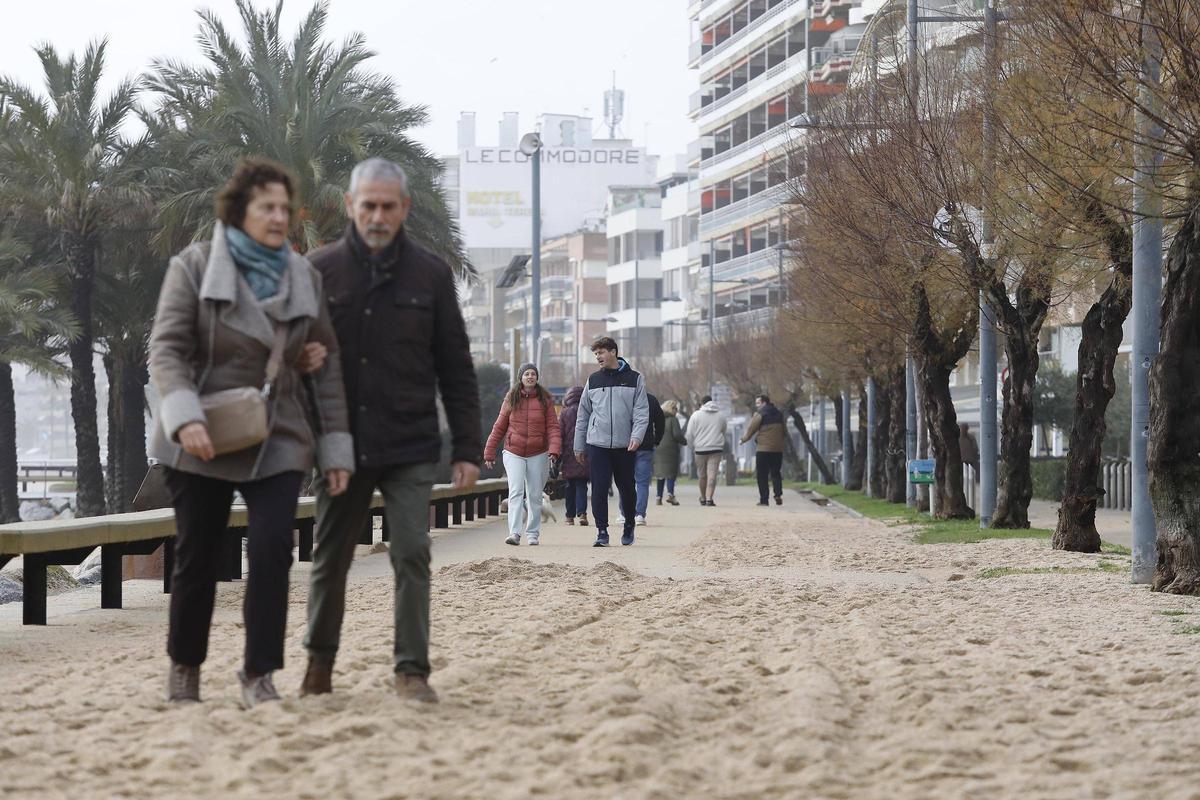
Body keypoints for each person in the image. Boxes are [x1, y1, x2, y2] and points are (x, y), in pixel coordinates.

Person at [149, 157, 354, 708]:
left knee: (272, 552)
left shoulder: (302, 274)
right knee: (198, 556)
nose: (279, 217)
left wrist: (335, 447)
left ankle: (258, 673)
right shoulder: (193, 267)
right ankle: (185, 668)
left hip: (278, 430)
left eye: (286, 208)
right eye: (267, 207)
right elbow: (167, 349)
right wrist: (185, 415)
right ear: (239, 212)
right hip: (203, 432)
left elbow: (326, 364)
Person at [301, 157, 481, 704]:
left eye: (387, 206)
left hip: (409, 442)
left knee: (411, 551)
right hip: (340, 446)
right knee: (330, 557)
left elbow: (456, 366)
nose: (377, 215)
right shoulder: (318, 270)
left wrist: (468, 448)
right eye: (368, 205)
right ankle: (318, 667)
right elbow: (286, 356)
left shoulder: (430, 274)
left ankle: (412, 671)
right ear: (351, 206)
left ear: (403, 208)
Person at [574, 336, 648, 547]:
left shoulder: (635, 378)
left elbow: (642, 411)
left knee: (627, 488)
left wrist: (637, 437)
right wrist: (579, 445)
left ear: (613, 352)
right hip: (598, 443)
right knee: (598, 488)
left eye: (601, 352)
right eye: (596, 353)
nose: (598, 357)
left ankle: (629, 524)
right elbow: (583, 414)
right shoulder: (593, 380)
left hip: (626, 444)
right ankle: (602, 531)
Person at [483, 363, 561, 546]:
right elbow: (499, 426)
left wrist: (554, 449)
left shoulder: (545, 400)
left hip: (538, 452)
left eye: (533, 374)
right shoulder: (511, 398)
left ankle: (533, 533)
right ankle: (514, 533)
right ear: (521, 377)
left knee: (534, 494)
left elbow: (553, 427)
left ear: (537, 377)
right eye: (526, 374)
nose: (530, 377)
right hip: (514, 451)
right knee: (516, 491)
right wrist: (489, 452)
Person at [741, 394, 786, 506]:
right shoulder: (779, 414)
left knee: (762, 475)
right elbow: (784, 431)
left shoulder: (760, 414)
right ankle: (778, 494)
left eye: (758, 403)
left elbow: (751, 428)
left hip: (763, 449)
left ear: (764, 403)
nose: (757, 406)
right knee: (776, 472)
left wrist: (744, 439)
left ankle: (764, 500)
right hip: (777, 449)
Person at [629, 392, 665, 526]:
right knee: (642, 482)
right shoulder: (651, 399)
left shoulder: (626, 397)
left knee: (626, 480)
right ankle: (639, 514)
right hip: (646, 445)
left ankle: (624, 512)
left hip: (627, 445)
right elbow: (660, 421)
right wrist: (657, 439)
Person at [687, 395, 728, 507]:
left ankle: (703, 497)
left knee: (702, 475)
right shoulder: (721, 415)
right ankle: (710, 498)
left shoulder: (695, 415)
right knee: (712, 475)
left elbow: (689, 434)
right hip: (716, 448)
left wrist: (692, 446)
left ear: (702, 403)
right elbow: (724, 431)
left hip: (700, 449)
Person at [557, 386, 589, 527]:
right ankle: (582, 514)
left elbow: (559, 435)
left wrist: (557, 455)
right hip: (584, 454)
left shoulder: (564, 413)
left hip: (568, 455)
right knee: (582, 485)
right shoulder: (588, 411)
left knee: (570, 487)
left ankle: (569, 517)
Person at [654, 399, 686, 506]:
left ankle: (658, 497)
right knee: (670, 474)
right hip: (670, 450)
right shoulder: (673, 420)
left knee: (660, 474)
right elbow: (677, 435)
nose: (677, 411)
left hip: (658, 448)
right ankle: (670, 495)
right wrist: (684, 441)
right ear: (671, 408)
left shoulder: (657, 418)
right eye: (675, 408)